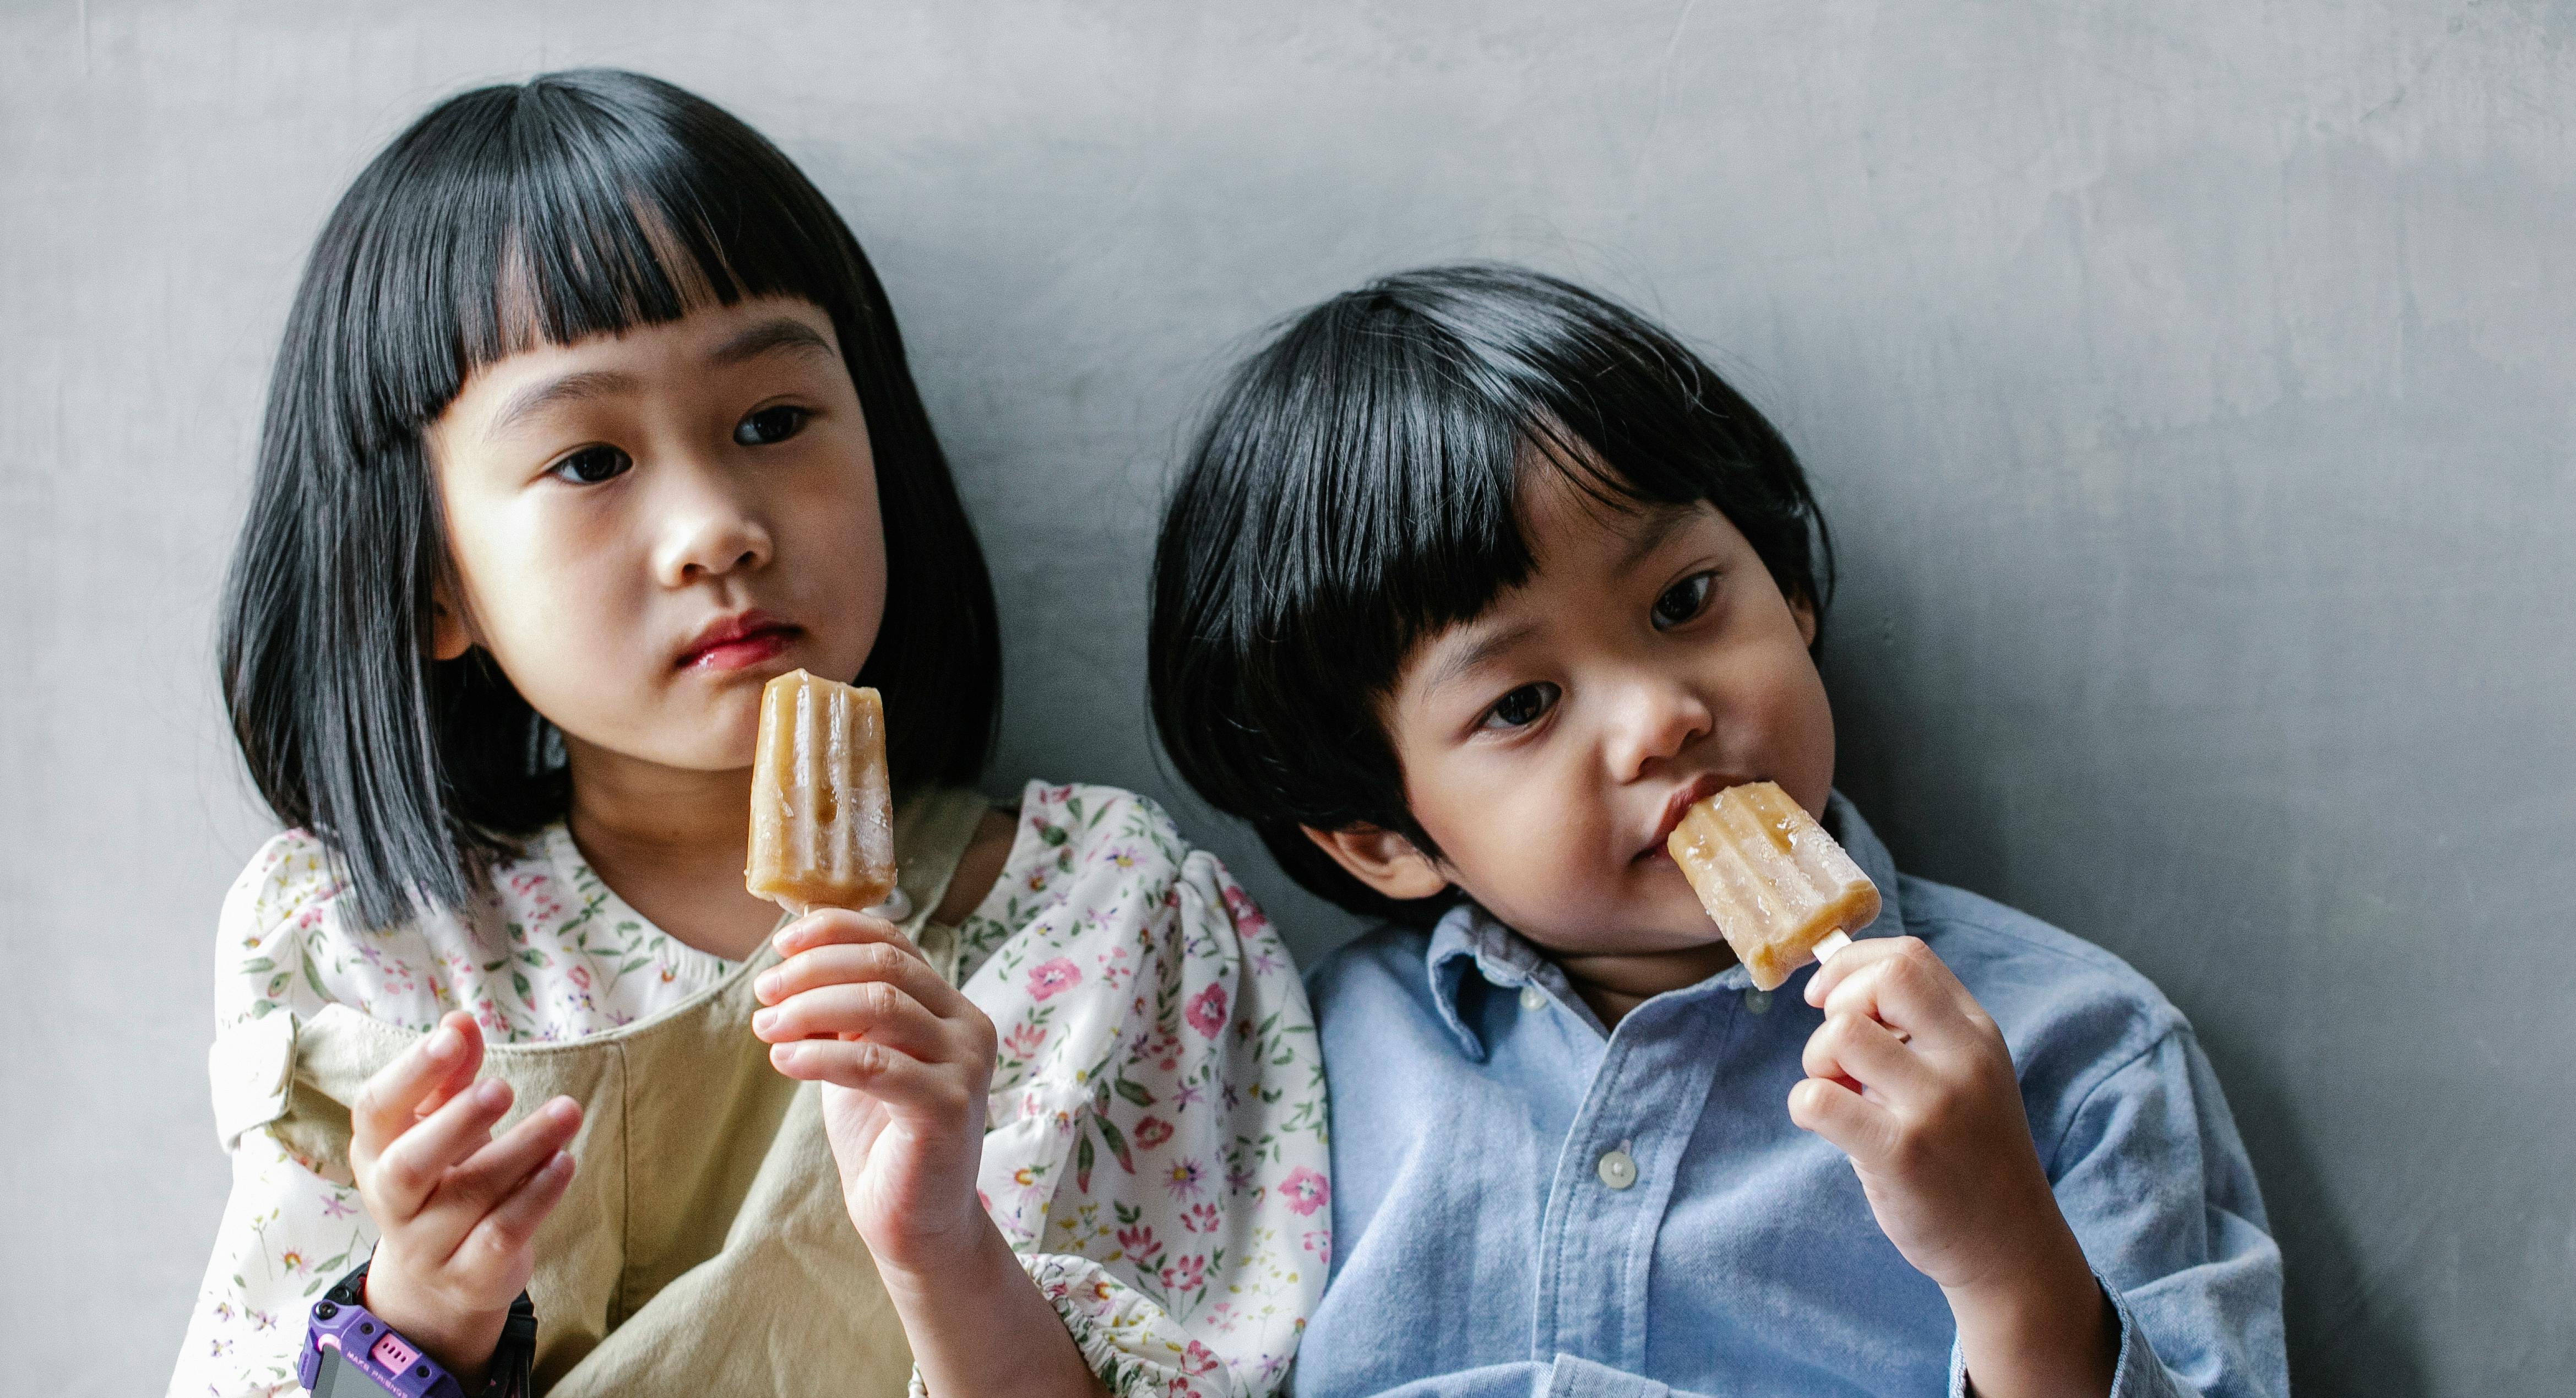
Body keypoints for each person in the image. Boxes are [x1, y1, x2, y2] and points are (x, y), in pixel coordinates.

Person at [171, 69, 1324, 1398]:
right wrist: (420, 1315)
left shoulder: (1101, 914)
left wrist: (943, 1254)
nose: (720, 524)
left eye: (774, 421)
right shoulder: (373, 942)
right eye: (589, 461)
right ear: (436, 583)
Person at [1146, 264, 2285, 1397]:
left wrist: (2005, 1264)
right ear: (1379, 839)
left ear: (1787, 590)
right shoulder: (1285, 1072)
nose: (1658, 719)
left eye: (1681, 603)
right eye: (1521, 704)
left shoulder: (2071, 1054)